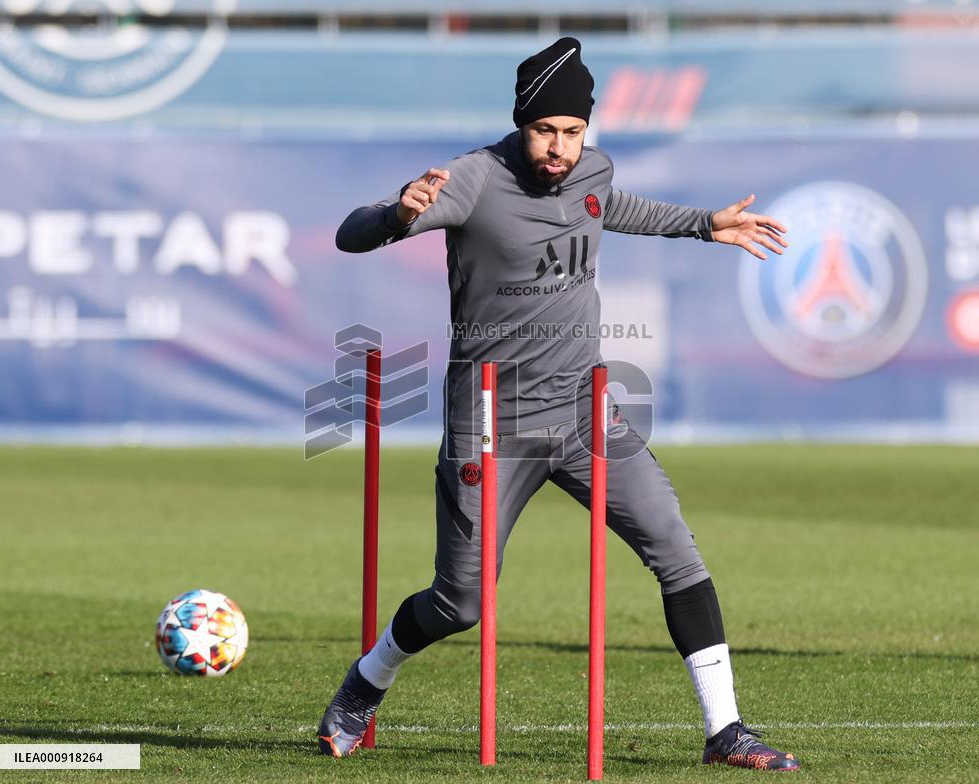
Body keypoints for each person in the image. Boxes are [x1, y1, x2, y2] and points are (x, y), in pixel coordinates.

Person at [320, 37, 798, 771]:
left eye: (573, 132)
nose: (561, 147)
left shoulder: (593, 171)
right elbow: (350, 235)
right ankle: (367, 680)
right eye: (547, 130)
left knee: (674, 546)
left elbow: (618, 207)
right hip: (489, 424)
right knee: (461, 604)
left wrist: (708, 224)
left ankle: (726, 731)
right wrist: (394, 215)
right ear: (522, 124)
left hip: (584, 410)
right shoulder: (474, 179)